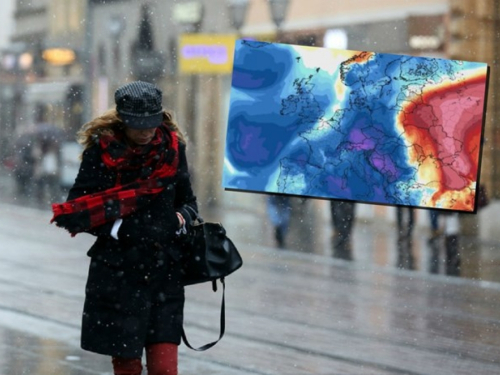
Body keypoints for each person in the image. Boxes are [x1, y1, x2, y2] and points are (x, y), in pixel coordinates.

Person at [51, 81, 198, 375]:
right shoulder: (101, 152)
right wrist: (121, 228)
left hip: (163, 272)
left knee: (165, 369)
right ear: (122, 120)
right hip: (118, 274)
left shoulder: (172, 149)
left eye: (151, 124)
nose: (145, 131)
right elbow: (78, 209)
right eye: (137, 125)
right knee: (127, 367)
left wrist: (178, 220)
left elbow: (189, 202)